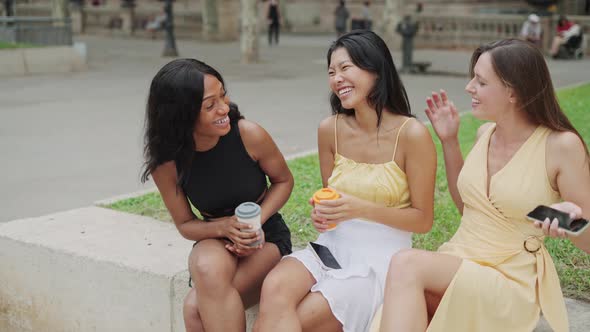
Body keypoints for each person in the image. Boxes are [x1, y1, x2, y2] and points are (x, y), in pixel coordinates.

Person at [374, 38, 590, 332]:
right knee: (410, 300)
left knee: (406, 264)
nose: (469, 87)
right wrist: (449, 141)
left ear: (513, 91)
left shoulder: (561, 145)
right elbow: (469, 209)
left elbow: (587, 239)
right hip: (461, 258)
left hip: (510, 280)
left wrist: (573, 221)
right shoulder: (484, 133)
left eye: (481, 81)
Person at [253, 30, 437, 332]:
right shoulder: (330, 129)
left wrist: (358, 208)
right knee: (274, 287)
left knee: (287, 322)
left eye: (345, 67)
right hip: (331, 246)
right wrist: (324, 214)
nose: (337, 78)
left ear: (375, 70)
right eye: (331, 71)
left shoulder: (412, 134)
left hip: (379, 259)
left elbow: (423, 220)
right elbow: (332, 199)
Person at [141, 59, 294, 331]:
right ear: (182, 114)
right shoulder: (166, 164)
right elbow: (186, 225)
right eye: (210, 105)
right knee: (205, 267)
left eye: (223, 95)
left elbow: (283, 180)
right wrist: (225, 227)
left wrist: (257, 219)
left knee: (195, 309)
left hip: (265, 235)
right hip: (215, 236)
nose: (224, 108)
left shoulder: (248, 134)